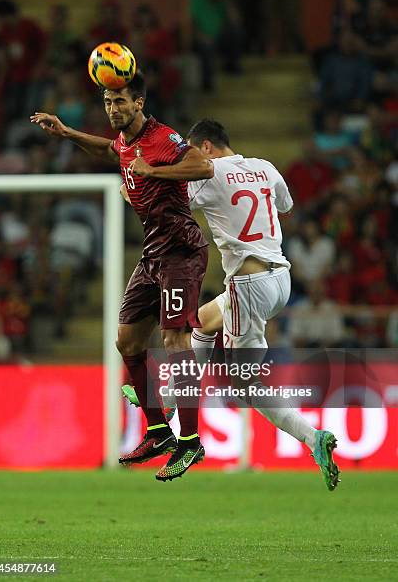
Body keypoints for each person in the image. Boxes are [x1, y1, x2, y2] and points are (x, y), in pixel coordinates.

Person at [126, 119, 340, 491]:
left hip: (248, 284)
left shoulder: (208, 174)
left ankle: (312, 437)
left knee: (246, 385)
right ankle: (174, 398)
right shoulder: (266, 167)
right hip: (280, 279)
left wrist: (134, 183)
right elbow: (285, 205)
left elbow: (162, 203)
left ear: (205, 147)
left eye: (192, 152)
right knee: (203, 323)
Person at [30, 71, 213, 482]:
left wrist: (154, 172)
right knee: (126, 340)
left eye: (121, 102)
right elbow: (110, 151)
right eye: (108, 103)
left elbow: (203, 167)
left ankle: (191, 441)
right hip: (152, 253)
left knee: (174, 339)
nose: (113, 108)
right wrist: (66, 133)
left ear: (139, 103)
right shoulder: (127, 142)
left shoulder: (163, 138)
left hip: (181, 251)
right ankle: (159, 431)